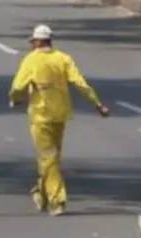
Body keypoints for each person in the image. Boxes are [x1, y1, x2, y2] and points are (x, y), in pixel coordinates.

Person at [8, 24, 108, 216]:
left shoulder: (31, 60)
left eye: (33, 42)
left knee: (48, 158)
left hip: (41, 116)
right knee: (52, 158)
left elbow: (18, 86)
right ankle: (42, 193)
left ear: (37, 41)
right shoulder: (63, 59)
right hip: (60, 115)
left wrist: (15, 99)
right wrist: (97, 103)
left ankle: (57, 200)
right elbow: (80, 83)